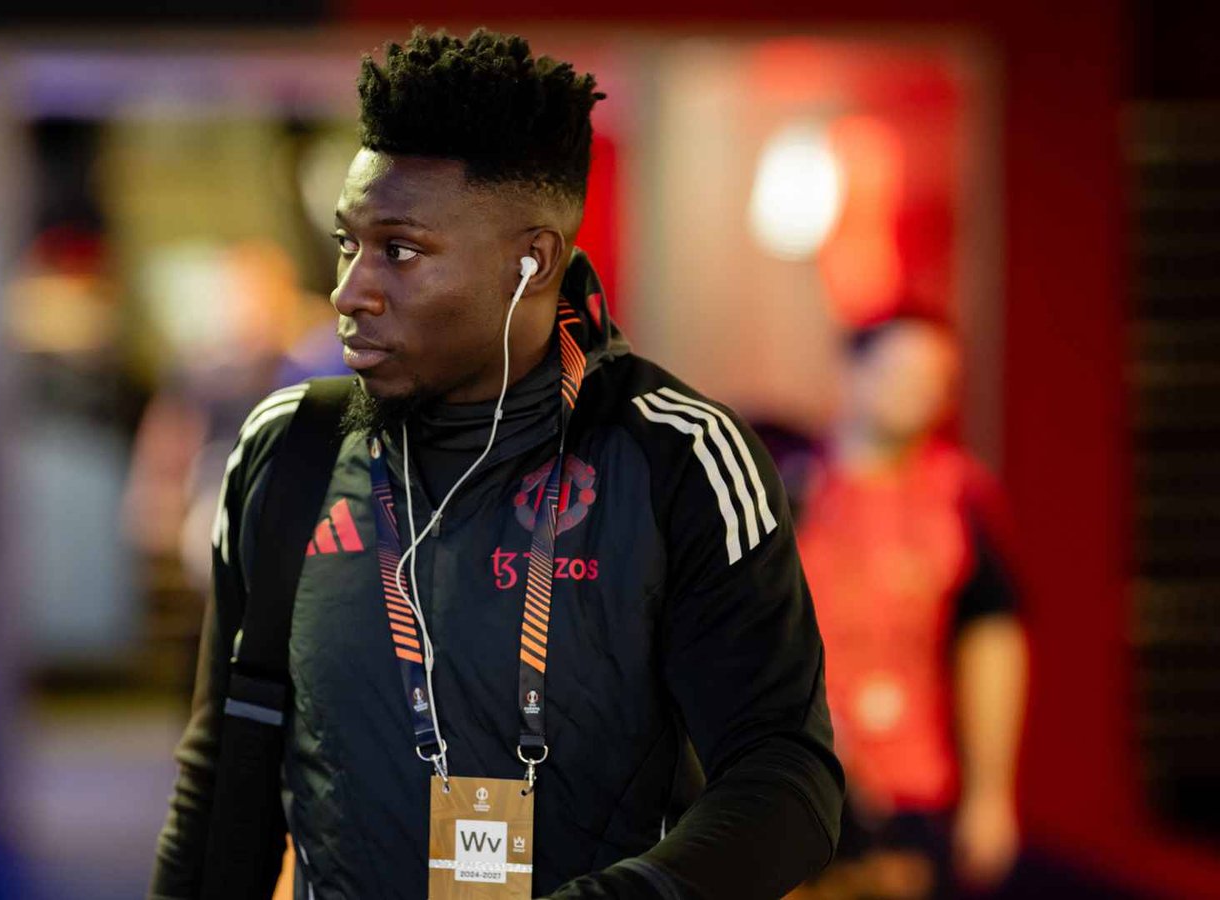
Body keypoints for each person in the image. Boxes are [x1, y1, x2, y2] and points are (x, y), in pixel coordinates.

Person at [150, 28, 842, 899]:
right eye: (346, 243)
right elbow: (223, 773)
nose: (349, 290)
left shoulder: (679, 458)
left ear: (533, 261)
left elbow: (788, 782)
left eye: (399, 250)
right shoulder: (288, 452)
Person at [795, 316, 1028, 899]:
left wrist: (991, 793)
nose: (915, 391)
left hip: (910, 786)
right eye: (899, 371)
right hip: (792, 779)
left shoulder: (960, 496)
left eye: (934, 380)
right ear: (851, 372)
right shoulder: (786, 484)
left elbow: (992, 640)